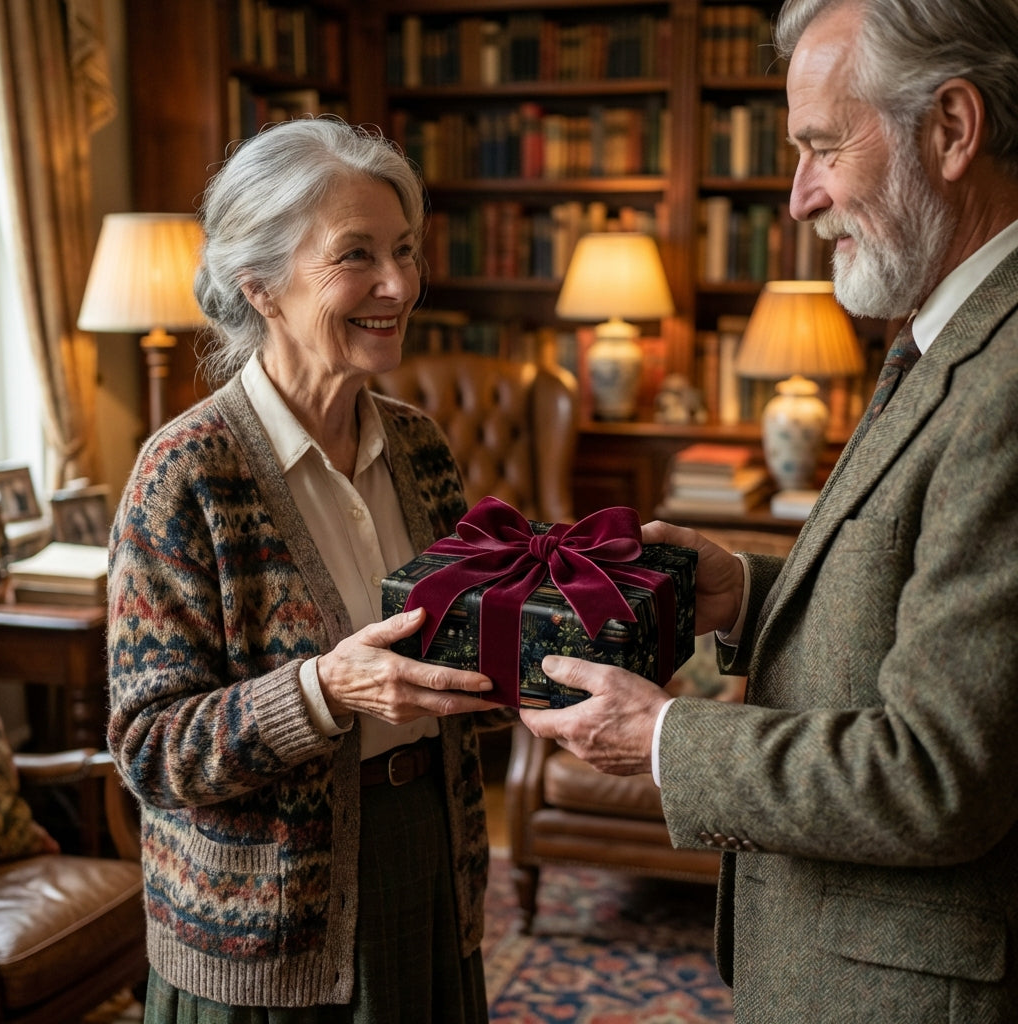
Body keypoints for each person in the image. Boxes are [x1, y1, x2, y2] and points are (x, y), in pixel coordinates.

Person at [520, 1, 1018, 1020]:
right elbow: (934, 606)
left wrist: (664, 739)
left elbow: (933, 773)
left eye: (822, 146)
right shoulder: (949, 326)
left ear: (953, 128)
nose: (797, 199)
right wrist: (745, 589)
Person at [107, 117, 509, 1023]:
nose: (399, 286)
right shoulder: (185, 474)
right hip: (263, 931)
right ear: (261, 285)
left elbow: (456, 647)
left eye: (404, 250)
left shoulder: (419, 445)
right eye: (356, 255)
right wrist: (324, 691)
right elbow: (150, 749)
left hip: (430, 861)